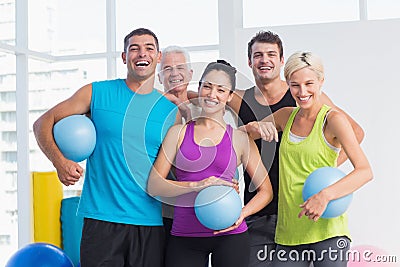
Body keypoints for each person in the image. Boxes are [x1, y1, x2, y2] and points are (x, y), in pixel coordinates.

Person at [33, 28, 178, 267]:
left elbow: (170, 168)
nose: (142, 53)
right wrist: (59, 162)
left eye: (149, 48)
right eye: (134, 48)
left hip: (150, 223)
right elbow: (43, 123)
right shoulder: (97, 93)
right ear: (124, 57)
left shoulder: (169, 110)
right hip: (101, 221)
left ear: (158, 56)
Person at [225, 30, 365, 266]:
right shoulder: (280, 114)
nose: (302, 92)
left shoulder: (323, 110)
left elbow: (358, 144)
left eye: (271, 54)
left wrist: (324, 175)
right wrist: (253, 127)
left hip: (318, 216)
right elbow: (216, 102)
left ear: (281, 60)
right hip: (273, 217)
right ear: (249, 62)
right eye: (258, 55)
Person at [147, 60, 273, 267]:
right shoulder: (177, 133)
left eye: (221, 90)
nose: (212, 94)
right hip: (185, 234)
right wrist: (197, 185)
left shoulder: (240, 139)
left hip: (231, 235)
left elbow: (265, 191)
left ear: (229, 96)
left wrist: (241, 214)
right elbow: (154, 185)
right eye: (207, 86)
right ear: (199, 88)